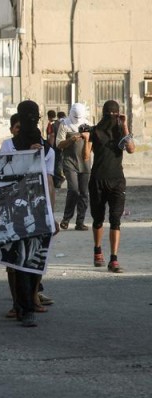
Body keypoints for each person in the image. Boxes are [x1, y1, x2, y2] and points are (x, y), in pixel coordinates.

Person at [0, 100, 58, 327]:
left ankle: (30, 300)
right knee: (18, 260)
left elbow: (50, 182)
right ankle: (23, 308)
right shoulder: (9, 146)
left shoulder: (48, 149)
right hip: (15, 209)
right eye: (28, 116)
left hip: (40, 210)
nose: (32, 120)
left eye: (36, 116)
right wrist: (26, 157)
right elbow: (4, 176)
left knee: (35, 260)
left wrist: (52, 215)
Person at [84, 100, 135, 273]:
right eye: (110, 113)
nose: (112, 116)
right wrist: (85, 139)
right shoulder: (94, 131)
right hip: (97, 179)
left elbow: (131, 149)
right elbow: (86, 155)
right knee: (98, 219)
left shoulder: (120, 131)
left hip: (117, 180)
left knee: (115, 219)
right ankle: (97, 250)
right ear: (104, 113)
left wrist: (125, 126)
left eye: (115, 114)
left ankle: (114, 259)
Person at [56, 103, 91, 231]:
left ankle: (80, 221)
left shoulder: (87, 125)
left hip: (85, 164)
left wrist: (86, 139)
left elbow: (90, 148)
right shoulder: (64, 124)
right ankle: (66, 218)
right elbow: (59, 144)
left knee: (84, 193)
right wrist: (70, 140)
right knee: (73, 190)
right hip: (69, 163)